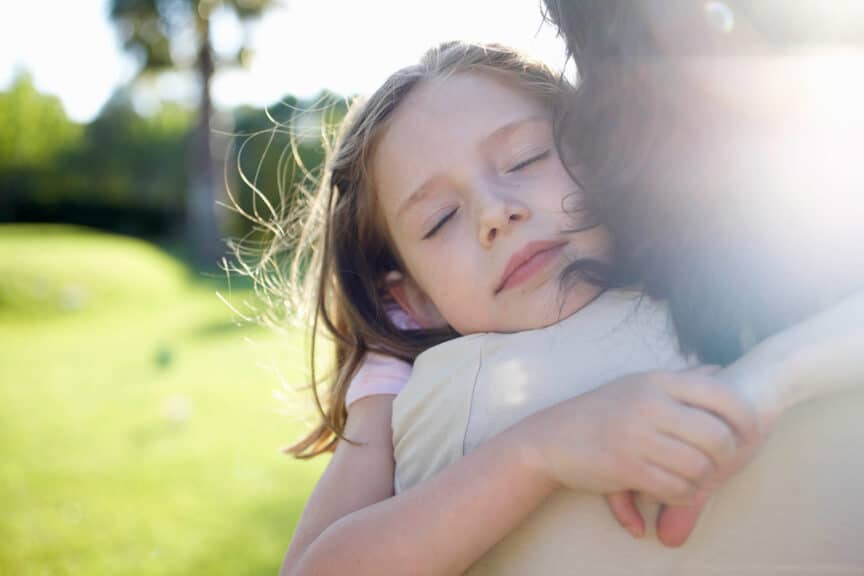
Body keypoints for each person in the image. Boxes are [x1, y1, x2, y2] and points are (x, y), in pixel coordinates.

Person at [267, 41, 864, 575]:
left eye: (525, 159)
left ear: (600, 151)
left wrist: (767, 380)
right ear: (413, 298)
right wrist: (539, 451)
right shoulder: (399, 389)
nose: (495, 212)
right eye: (440, 219)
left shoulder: (732, 240)